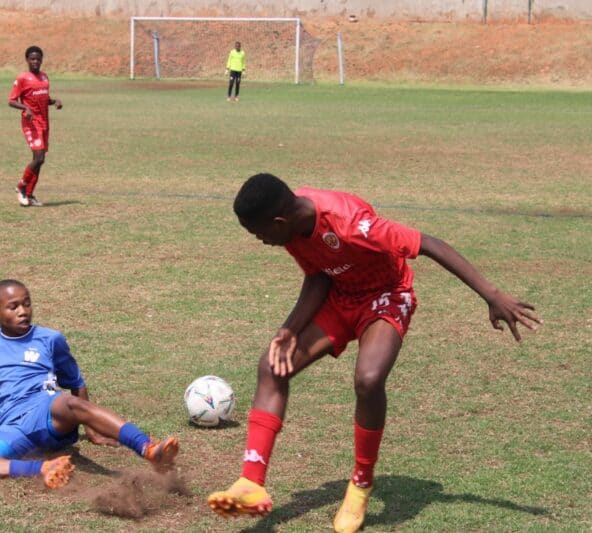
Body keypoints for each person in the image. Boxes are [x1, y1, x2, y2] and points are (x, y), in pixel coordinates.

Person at [207, 173, 542, 532]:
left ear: (278, 222)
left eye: (258, 234)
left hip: (385, 296)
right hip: (341, 297)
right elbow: (320, 272)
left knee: (368, 379)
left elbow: (429, 243)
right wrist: (289, 329)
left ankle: (361, 484)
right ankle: (251, 482)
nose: (260, 241)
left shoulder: (354, 224)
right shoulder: (290, 223)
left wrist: (492, 295)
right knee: (273, 366)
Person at [0, 279, 179, 488]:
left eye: (27, 303)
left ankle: (147, 448)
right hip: (10, 430)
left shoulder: (50, 339)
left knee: (69, 401)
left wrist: (93, 434)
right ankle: (43, 469)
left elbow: (77, 383)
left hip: (46, 412)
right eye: (13, 307)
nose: (22, 311)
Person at [9, 45, 62, 207]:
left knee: (40, 160)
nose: (35, 61)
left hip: (44, 122)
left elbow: (43, 98)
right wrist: (25, 108)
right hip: (31, 123)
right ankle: (21, 186)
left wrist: (55, 102)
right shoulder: (22, 78)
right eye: (32, 59)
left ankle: (30, 195)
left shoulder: (45, 78)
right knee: (38, 158)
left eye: (38, 59)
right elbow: (11, 101)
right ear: (27, 60)